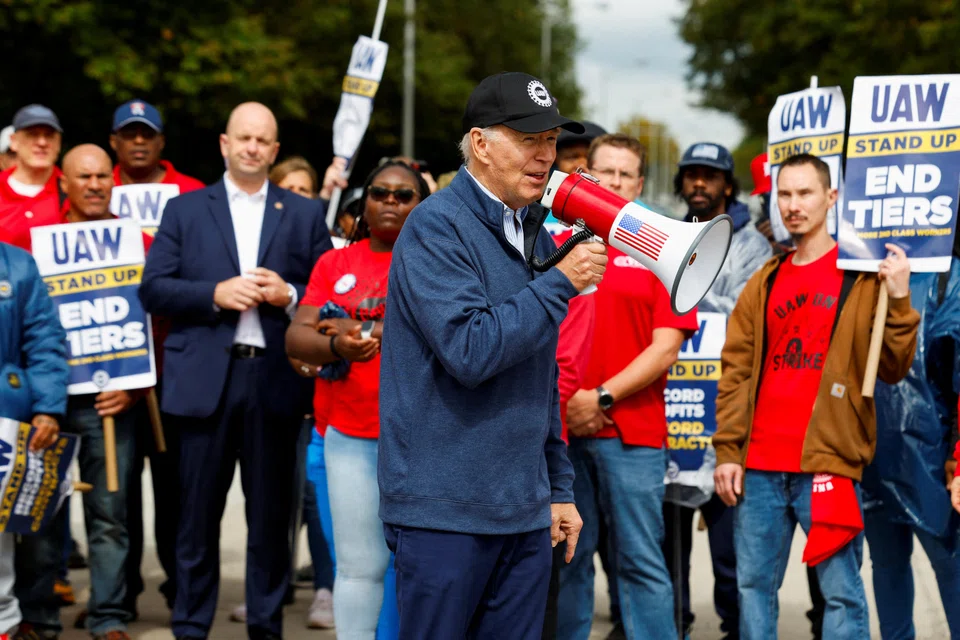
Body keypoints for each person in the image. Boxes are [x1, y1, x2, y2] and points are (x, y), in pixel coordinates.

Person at [378, 71, 600, 639]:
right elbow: (470, 350)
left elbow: (538, 372)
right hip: (443, 514)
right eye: (529, 139)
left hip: (522, 514)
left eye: (551, 140)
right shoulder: (435, 226)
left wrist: (556, 488)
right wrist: (559, 285)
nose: (545, 155)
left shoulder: (532, 229)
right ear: (480, 144)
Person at [139, 102, 333, 640]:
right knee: (194, 518)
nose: (251, 147)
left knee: (271, 522)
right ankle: (190, 626)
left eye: (262, 140)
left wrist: (289, 293)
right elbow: (153, 288)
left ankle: (266, 627)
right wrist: (213, 294)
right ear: (225, 144)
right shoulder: (185, 210)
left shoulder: (303, 214)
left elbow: (327, 296)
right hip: (203, 384)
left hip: (275, 380)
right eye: (243, 138)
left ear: (274, 150)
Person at [713, 153, 919, 640]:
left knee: (842, 594)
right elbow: (736, 371)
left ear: (831, 198)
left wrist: (901, 298)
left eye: (805, 193)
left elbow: (893, 367)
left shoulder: (863, 277)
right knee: (753, 590)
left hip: (827, 461)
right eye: (784, 194)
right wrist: (728, 450)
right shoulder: (764, 280)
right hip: (759, 467)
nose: (793, 205)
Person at [558, 133, 698, 640]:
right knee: (570, 561)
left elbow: (666, 347)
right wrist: (570, 404)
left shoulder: (664, 248)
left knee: (640, 562)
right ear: (586, 176)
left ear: (638, 184)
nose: (614, 182)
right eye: (605, 172)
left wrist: (600, 397)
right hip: (564, 434)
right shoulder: (556, 241)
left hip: (631, 433)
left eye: (625, 175)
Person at [287, 159, 431, 639]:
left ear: (421, 205)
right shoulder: (335, 263)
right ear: (363, 203)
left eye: (403, 195)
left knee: (411, 568)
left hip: (422, 440)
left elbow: (434, 338)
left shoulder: (437, 259)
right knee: (357, 567)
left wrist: (349, 327)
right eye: (380, 193)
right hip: (347, 436)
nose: (390, 201)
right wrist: (335, 344)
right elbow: (296, 339)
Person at [662, 142, 772, 640]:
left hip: (728, 413)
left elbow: (748, 317)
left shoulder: (755, 244)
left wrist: (685, 303)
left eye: (710, 176)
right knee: (668, 547)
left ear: (728, 185)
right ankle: (674, 624)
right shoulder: (666, 236)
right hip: (674, 409)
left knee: (731, 552)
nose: (699, 184)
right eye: (691, 175)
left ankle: (735, 629)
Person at [226, 154, 337, 630]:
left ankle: (325, 589)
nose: (294, 197)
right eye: (286, 188)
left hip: (310, 390)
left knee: (313, 496)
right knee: (278, 498)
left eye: (304, 191)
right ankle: (274, 585)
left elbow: (327, 299)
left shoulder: (320, 241)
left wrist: (290, 295)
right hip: (267, 378)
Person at [109, 98, 205, 621]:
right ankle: (118, 595)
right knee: (117, 494)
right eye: (129, 134)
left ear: (161, 142)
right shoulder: (96, 189)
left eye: (147, 133)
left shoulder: (189, 194)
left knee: (176, 492)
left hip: (174, 369)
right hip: (114, 370)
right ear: (115, 142)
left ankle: (178, 590)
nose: (139, 141)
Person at [51, 144, 150, 640]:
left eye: (102, 176)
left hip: (113, 401)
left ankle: (108, 614)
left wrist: (136, 387)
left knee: (111, 514)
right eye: (84, 176)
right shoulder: (38, 243)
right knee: (43, 512)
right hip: (48, 404)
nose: (94, 184)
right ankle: (39, 612)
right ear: (63, 182)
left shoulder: (137, 243)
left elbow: (155, 323)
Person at [861, 240, 960, 639]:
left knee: (949, 566)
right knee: (886, 569)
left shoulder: (946, 275)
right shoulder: (859, 272)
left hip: (932, 457)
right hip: (872, 453)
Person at [0, 236, 68, 640]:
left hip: (5, 413)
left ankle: (3, 624)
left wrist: (47, 406)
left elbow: (43, 340)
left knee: (0, 534)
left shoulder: (16, 265)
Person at [0, 105, 63, 251]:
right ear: (14, 141)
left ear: (58, 143)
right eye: (32, 134)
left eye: (49, 135)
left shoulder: (74, 190)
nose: (42, 142)